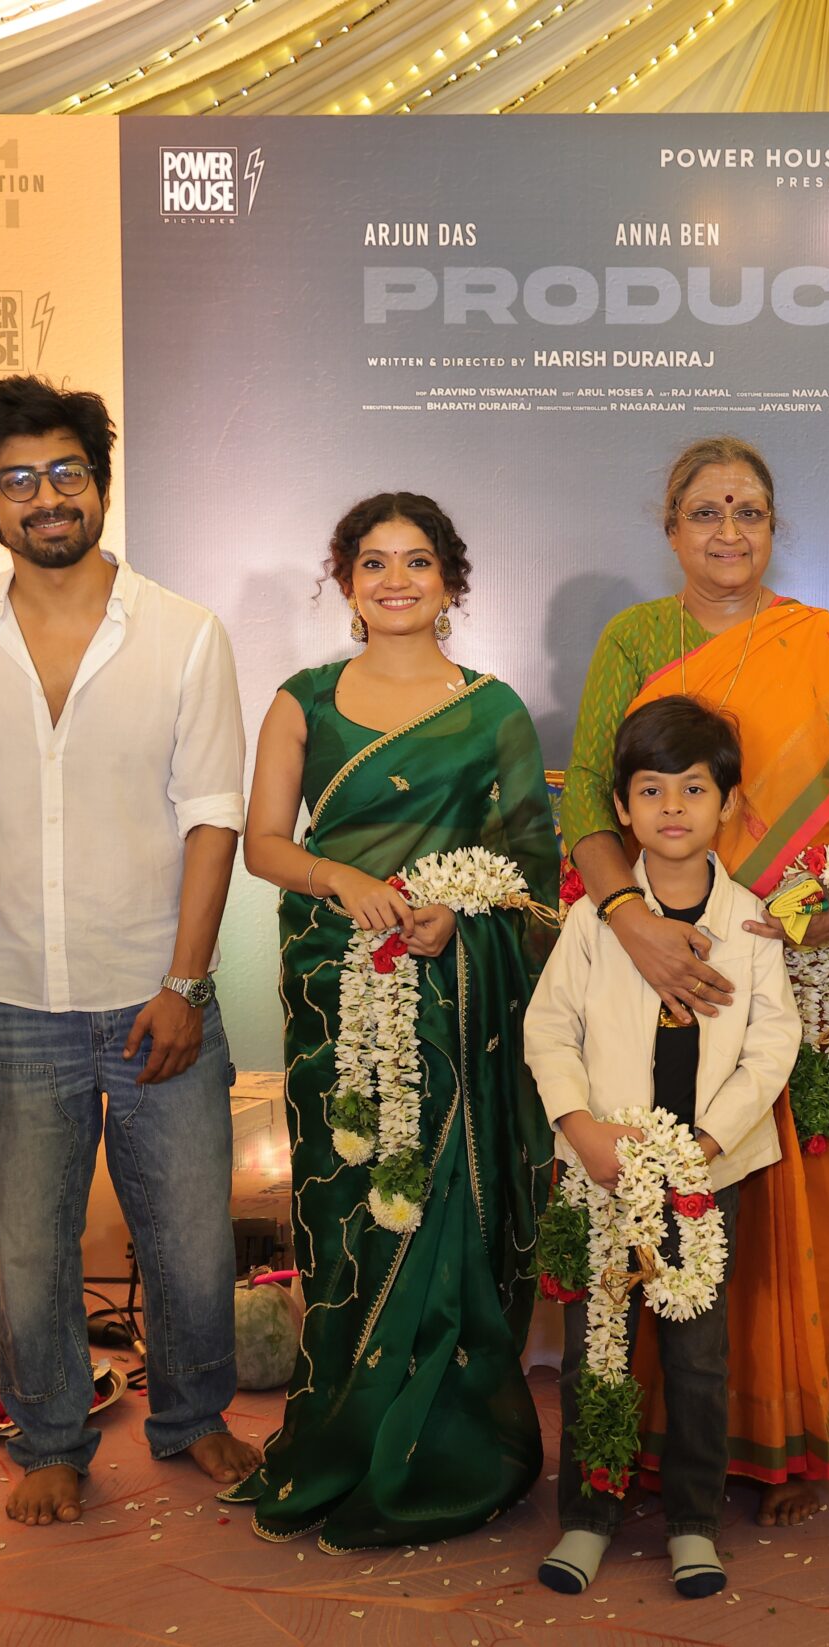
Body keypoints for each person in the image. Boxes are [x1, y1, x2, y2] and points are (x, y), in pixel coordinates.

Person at [559, 436, 829, 1526]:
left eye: (749, 511)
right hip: (658, 967)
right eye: (706, 511)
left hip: (794, 969)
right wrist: (631, 923)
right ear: (670, 528)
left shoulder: (824, 644)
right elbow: (587, 794)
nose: (729, 530)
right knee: (663, 1193)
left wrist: (811, 919)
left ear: (773, 528)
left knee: (795, 1214)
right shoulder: (637, 639)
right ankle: (652, 1452)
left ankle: (785, 1447)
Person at [0, 377, 257, 1526]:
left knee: (191, 1244)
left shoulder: (183, 632)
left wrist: (185, 984)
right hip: (12, 995)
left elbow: (212, 818)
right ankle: (51, 1438)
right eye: (16, 480)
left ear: (100, 485)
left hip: (157, 993)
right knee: (28, 1250)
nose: (46, 496)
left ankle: (194, 1418)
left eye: (66, 471)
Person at [225, 491, 560, 1550]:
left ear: (450, 580)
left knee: (448, 1209)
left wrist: (458, 917)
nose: (397, 580)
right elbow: (264, 845)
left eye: (418, 561)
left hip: (458, 1000)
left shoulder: (493, 710)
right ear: (346, 580)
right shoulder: (304, 702)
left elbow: (532, 867)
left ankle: (451, 1444)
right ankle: (347, 1431)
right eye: (374, 562)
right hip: (337, 985)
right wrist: (344, 879)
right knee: (350, 1205)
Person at [525, 696, 802, 1598]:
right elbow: (548, 1032)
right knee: (594, 1353)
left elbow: (773, 1045)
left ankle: (692, 1521)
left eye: (693, 788)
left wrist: (709, 1142)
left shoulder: (752, 924)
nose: (673, 807)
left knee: (697, 1358)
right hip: (604, 1173)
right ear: (621, 805)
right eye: (651, 790)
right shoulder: (593, 922)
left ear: (729, 802)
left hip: (702, 1178)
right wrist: (581, 1130)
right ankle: (587, 1517)